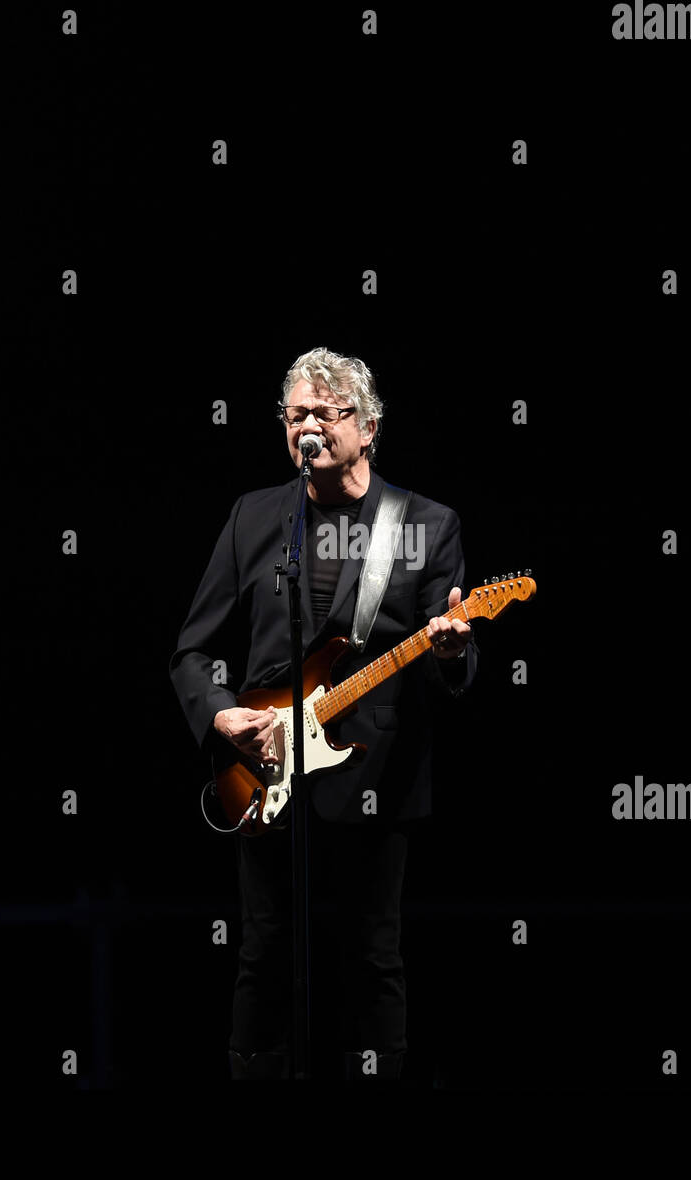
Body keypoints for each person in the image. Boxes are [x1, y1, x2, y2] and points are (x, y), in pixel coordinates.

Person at [169, 346, 477, 1082]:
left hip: (375, 781)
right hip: (266, 774)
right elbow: (192, 651)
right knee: (262, 955)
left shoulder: (426, 525)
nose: (308, 425)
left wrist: (447, 652)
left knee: (370, 961)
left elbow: (457, 679)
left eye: (326, 413)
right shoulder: (254, 518)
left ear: (367, 428)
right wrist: (220, 717)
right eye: (296, 414)